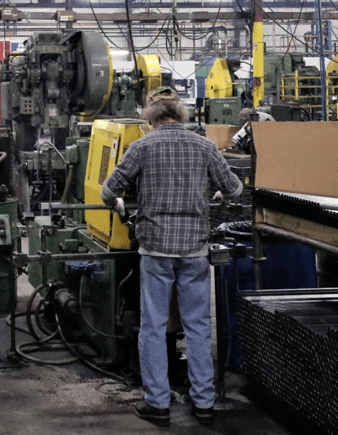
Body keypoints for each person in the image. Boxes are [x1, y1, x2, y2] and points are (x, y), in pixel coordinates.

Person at [101, 86, 242, 427]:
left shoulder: (142, 146)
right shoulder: (205, 146)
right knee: (197, 327)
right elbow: (235, 189)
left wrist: (120, 205)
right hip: (194, 248)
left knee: (152, 327)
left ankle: (158, 403)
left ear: (151, 119)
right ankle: (204, 403)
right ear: (181, 116)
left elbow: (109, 191)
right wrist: (217, 195)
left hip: (155, 250)